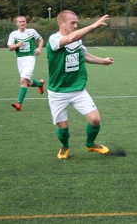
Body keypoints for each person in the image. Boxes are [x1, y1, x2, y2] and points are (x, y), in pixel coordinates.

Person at [46, 10, 114, 159]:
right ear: (61, 23)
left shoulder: (77, 40)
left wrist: (102, 60)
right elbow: (70, 39)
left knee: (95, 120)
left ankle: (90, 144)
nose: (76, 25)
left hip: (78, 89)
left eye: (77, 22)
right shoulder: (54, 39)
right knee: (63, 128)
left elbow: (84, 55)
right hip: (58, 92)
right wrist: (93, 26)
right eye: (72, 23)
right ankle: (65, 146)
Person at [7, 16, 45, 111]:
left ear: (26, 22)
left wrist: (39, 49)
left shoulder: (31, 31)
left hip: (30, 58)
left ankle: (18, 103)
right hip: (20, 60)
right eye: (20, 22)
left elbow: (41, 40)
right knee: (27, 83)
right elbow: (10, 48)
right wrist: (17, 45)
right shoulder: (13, 34)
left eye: (23, 21)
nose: (22, 23)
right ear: (17, 23)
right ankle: (40, 84)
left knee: (23, 80)